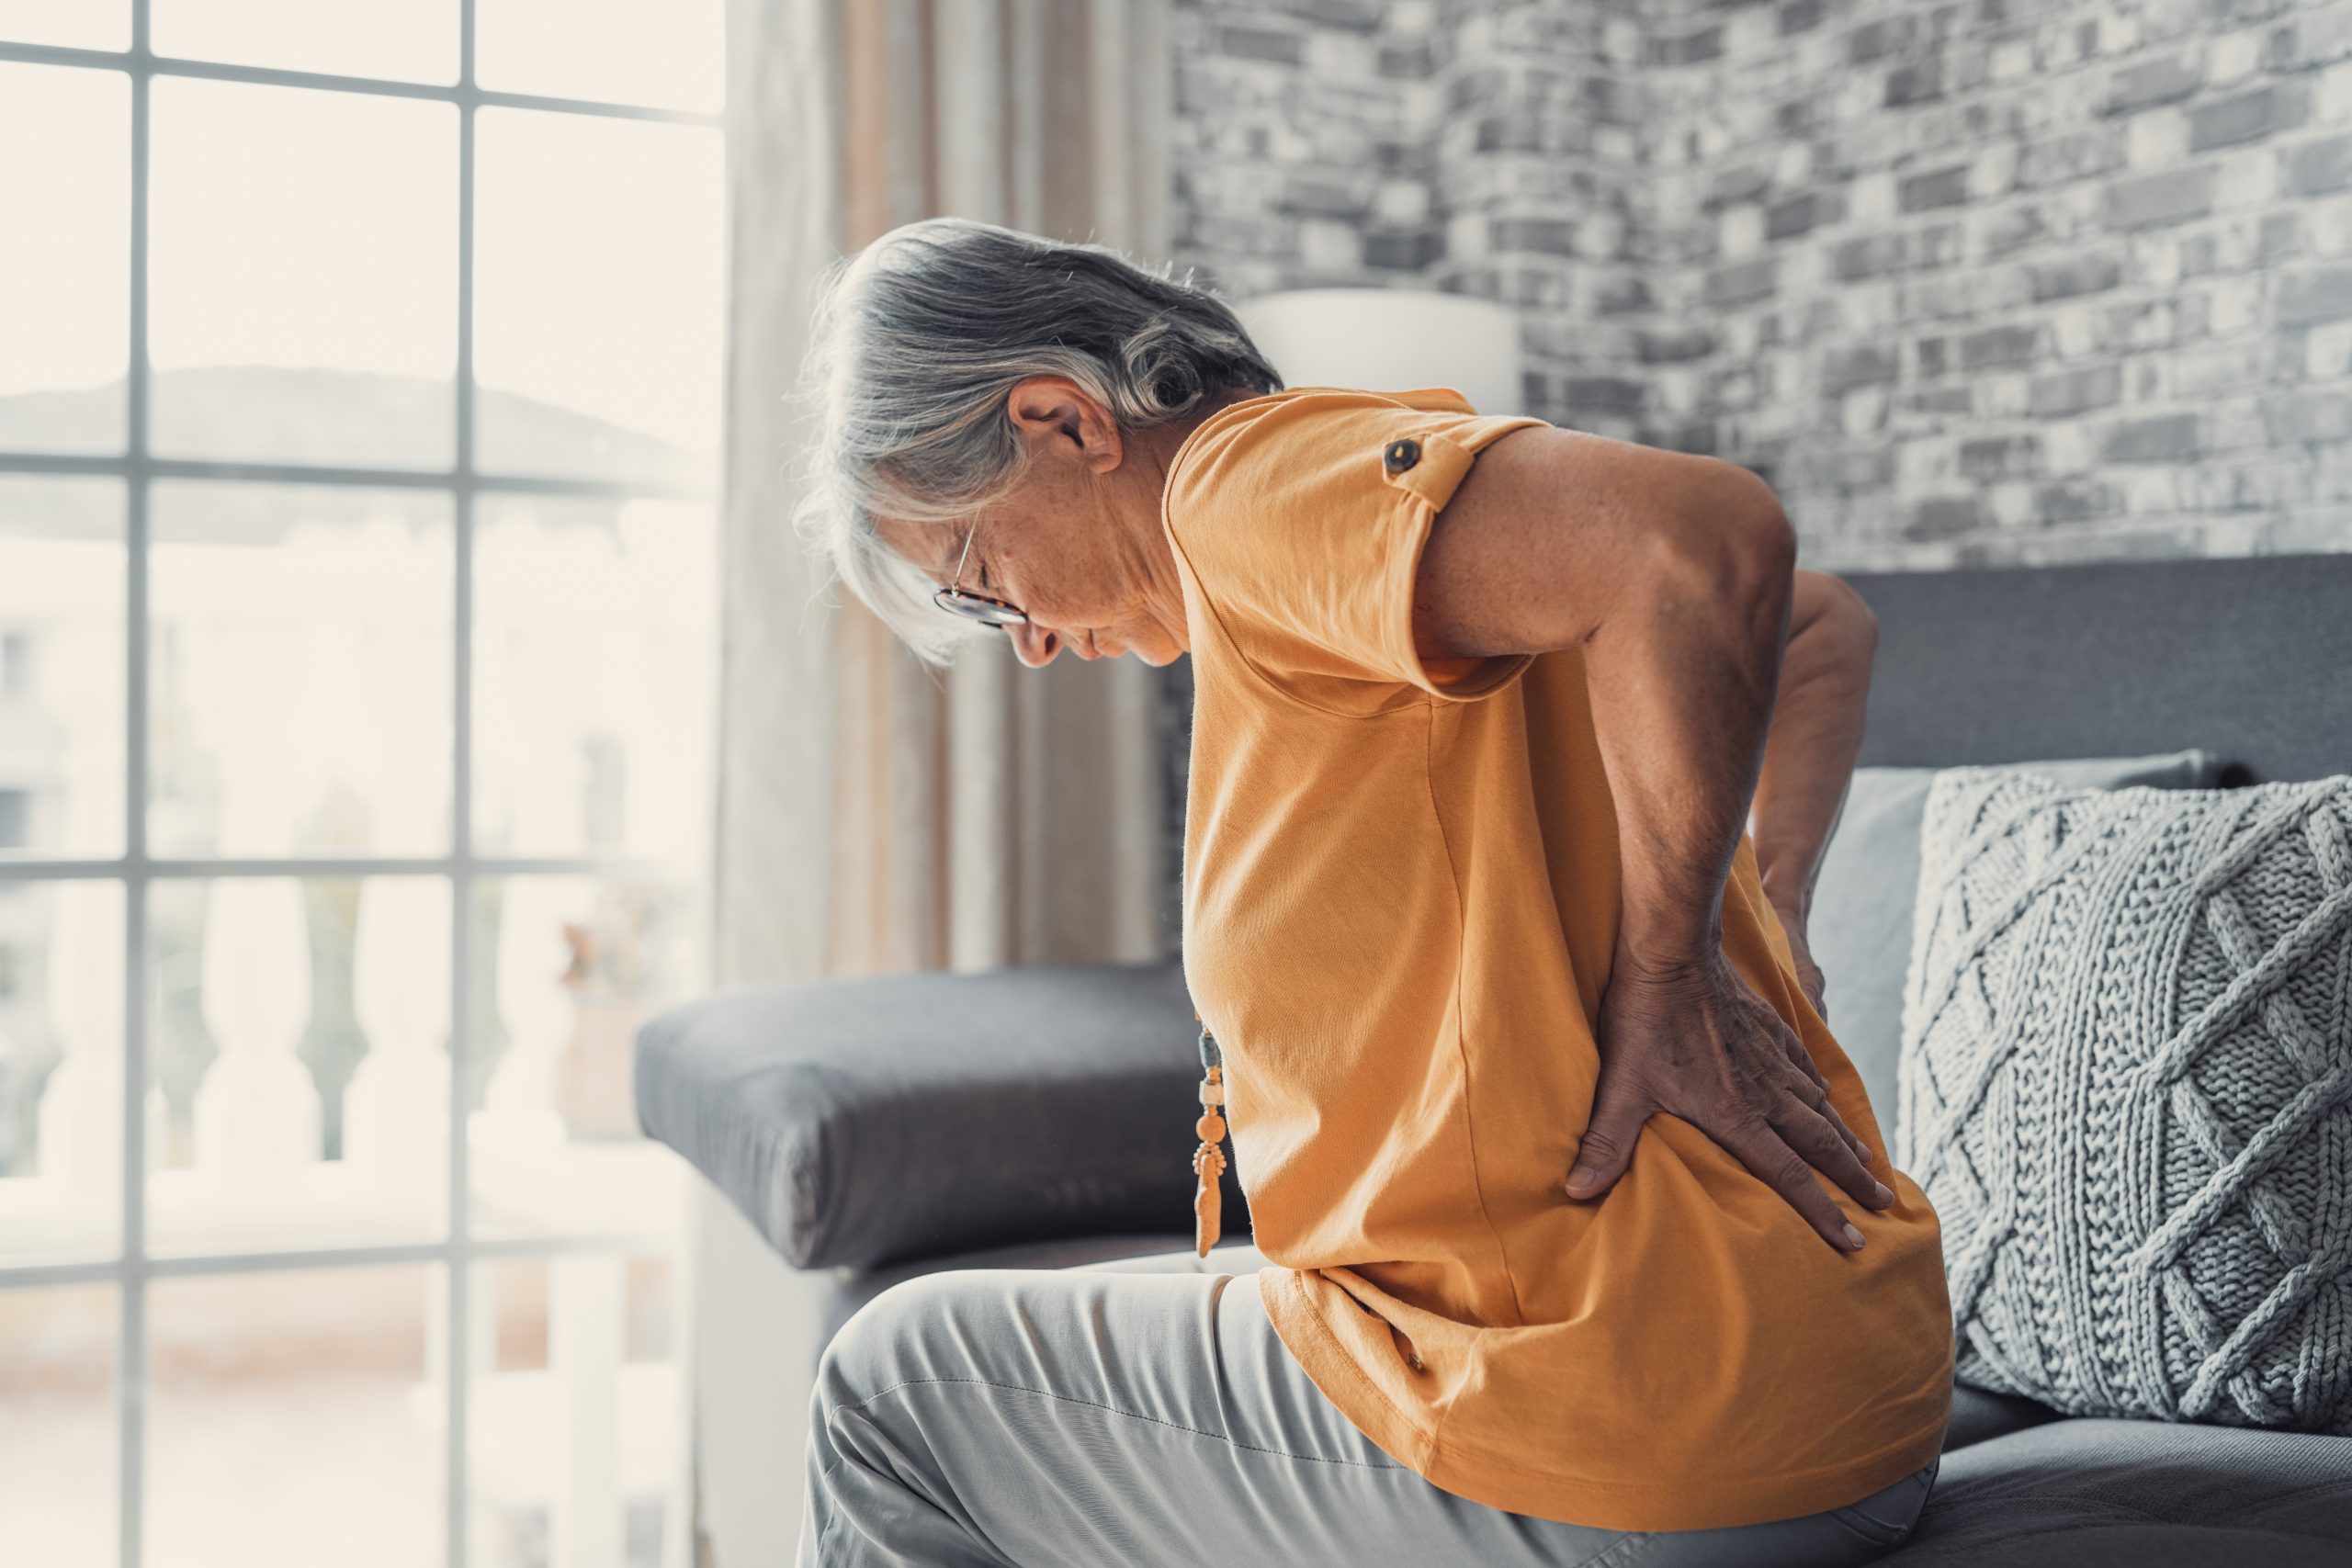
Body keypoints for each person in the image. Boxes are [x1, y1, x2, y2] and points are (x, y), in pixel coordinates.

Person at [785, 215, 1953, 1567]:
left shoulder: (1244, 492)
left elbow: (1706, 539)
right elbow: (1819, 627)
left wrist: (1675, 971)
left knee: (890, 1388)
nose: (1032, 645)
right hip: (1836, 1392)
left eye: (983, 580)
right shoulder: (1381, 554)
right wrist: (1775, 919)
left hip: (1633, 1429)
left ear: (1062, 420)